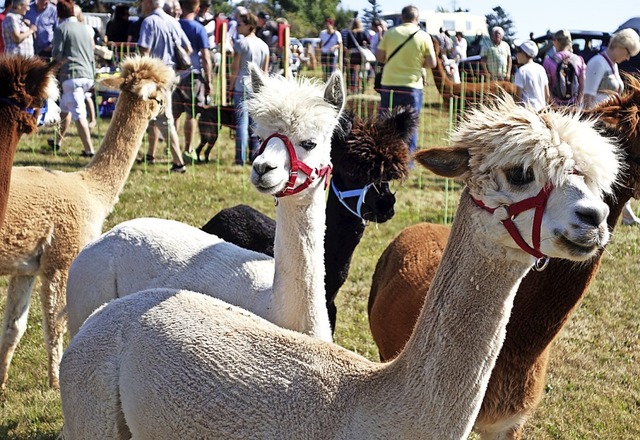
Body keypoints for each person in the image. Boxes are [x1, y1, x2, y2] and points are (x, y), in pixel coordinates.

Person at [584, 28, 640, 226]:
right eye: (627, 52)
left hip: (610, 129)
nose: (627, 58)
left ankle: (625, 215)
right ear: (619, 46)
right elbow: (588, 96)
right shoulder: (597, 63)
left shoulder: (613, 66)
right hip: (598, 126)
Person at [137, 0, 192, 173]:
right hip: (172, 74)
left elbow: (144, 53)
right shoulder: (173, 21)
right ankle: (150, 154)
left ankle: (179, 163)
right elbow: (188, 48)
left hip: (156, 75)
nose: (140, 4)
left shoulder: (149, 22)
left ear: (148, 2)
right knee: (154, 115)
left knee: (164, 118)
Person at [375, 4, 436, 156]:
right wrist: (417, 62)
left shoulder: (390, 33)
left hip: (389, 83)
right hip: (412, 86)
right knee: (411, 123)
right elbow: (432, 63)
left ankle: (383, 153)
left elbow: (380, 57)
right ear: (417, 18)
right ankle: (407, 158)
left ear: (402, 17)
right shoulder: (423, 36)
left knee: (385, 121)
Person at [50, 0, 95, 157]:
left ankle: (89, 150)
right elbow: (91, 53)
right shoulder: (86, 29)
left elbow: (57, 54)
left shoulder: (61, 29)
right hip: (88, 74)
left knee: (78, 114)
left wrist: (51, 72)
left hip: (71, 76)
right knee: (64, 109)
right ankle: (57, 141)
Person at [228, 10, 268, 165]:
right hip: (258, 88)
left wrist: (230, 86)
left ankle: (240, 158)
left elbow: (235, 68)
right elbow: (264, 71)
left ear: (250, 26)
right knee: (256, 125)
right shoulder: (264, 46)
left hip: (241, 85)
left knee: (241, 124)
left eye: (240, 24)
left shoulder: (241, 43)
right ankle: (256, 155)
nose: (237, 26)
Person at [174, 0, 212, 161]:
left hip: (174, 75)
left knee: (173, 115)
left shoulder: (174, 25)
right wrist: (209, 80)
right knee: (191, 115)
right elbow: (205, 57)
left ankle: (172, 148)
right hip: (193, 76)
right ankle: (188, 149)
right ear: (197, 8)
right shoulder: (199, 28)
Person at [542, 30, 586, 106]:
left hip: (555, 106)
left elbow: (546, 87)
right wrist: (577, 104)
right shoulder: (579, 60)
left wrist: (555, 105)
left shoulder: (548, 61)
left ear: (556, 41)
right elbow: (583, 85)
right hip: (574, 105)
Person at [513, 40, 548, 111]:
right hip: (542, 111)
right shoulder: (541, 69)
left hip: (527, 114)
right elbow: (547, 95)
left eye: (518, 51)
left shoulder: (521, 71)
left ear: (523, 53)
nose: (516, 55)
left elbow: (517, 98)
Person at [344, 17, 370, 93]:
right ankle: (362, 87)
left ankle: (351, 88)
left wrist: (346, 56)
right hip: (360, 55)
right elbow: (368, 43)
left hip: (352, 55)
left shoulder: (350, 33)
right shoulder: (362, 33)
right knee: (361, 72)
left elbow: (347, 46)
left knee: (351, 71)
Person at [319, 17, 341, 82]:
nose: (327, 26)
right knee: (324, 70)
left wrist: (334, 47)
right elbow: (320, 42)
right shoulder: (322, 33)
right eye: (326, 24)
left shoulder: (337, 34)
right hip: (324, 53)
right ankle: (325, 81)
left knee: (331, 70)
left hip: (332, 54)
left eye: (328, 24)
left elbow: (339, 44)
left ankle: (331, 82)